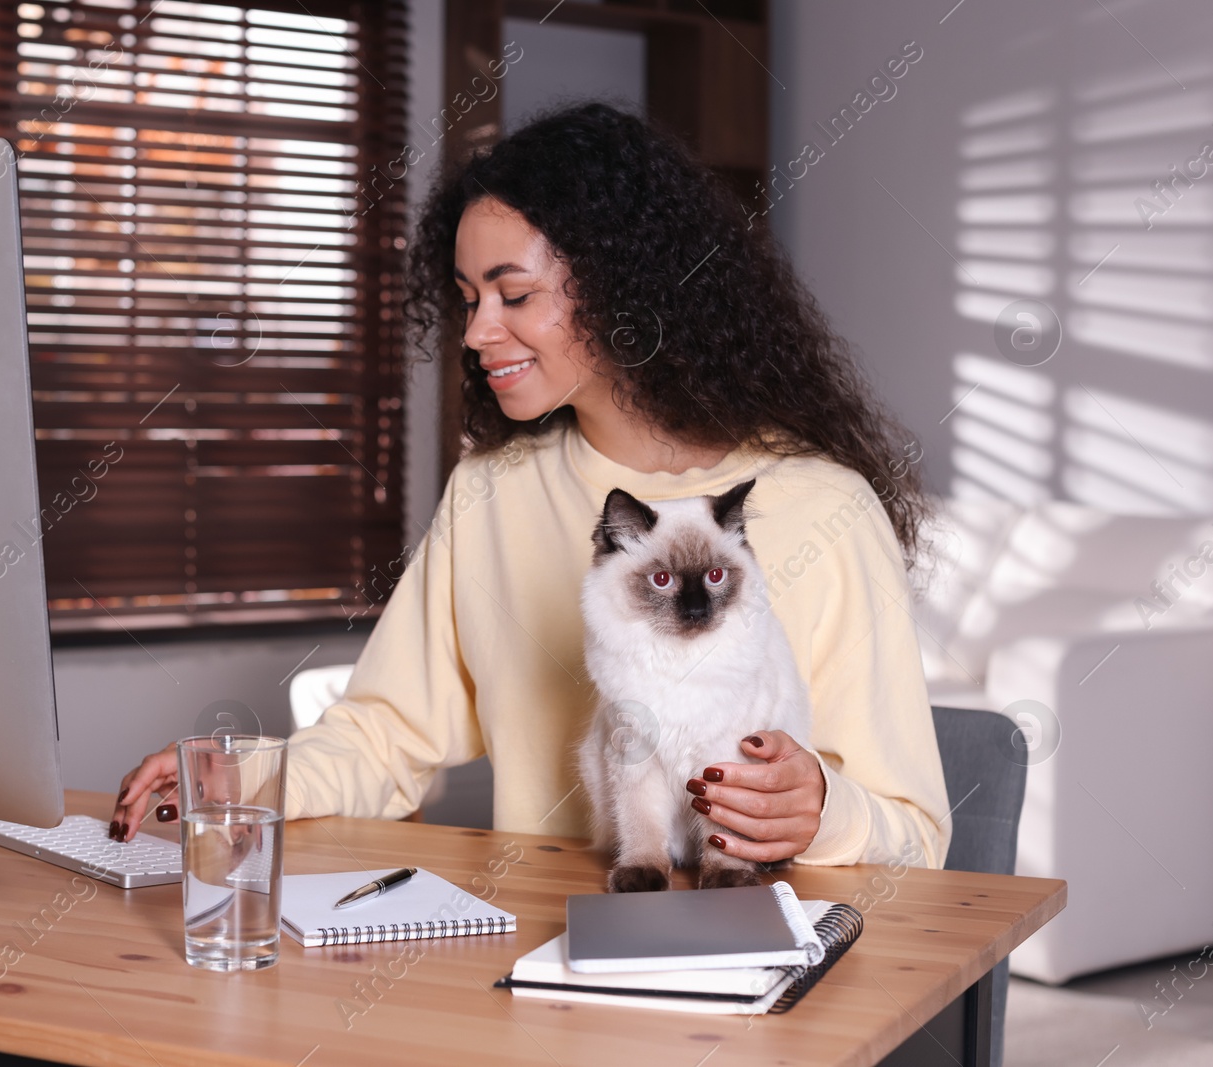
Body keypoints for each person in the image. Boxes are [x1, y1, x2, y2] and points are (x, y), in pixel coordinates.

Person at [112, 103, 951, 870]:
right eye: (468, 298)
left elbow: (917, 833)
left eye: (514, 294)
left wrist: (820, 813)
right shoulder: (492, 492)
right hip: (535, 957)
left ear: (628, 285)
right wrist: (241, 775)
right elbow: (385, 736)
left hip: (763, 978)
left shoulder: (825, 507)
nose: (477, 331)